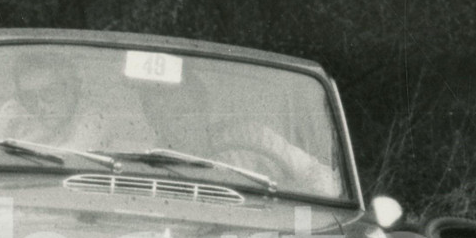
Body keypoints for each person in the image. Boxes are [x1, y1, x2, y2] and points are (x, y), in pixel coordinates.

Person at [136, 76, 341, 197]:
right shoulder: (146, 163)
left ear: (203, 107)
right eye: (164, 114)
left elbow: (315, 171)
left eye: (186, 109)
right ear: (152, 119)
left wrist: (304, 191)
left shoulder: (252, 137)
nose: (180, 121)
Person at [0, 53, 104, 149]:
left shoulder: (94, 118)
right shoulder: (15, 112)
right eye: (29, 96)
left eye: (51, 92)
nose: (40, 105)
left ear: (72, 89)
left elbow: (66, 160)